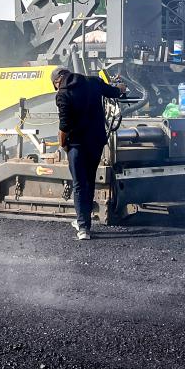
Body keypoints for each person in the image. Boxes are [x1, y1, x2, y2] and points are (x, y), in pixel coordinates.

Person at [53, 67, 125, 240]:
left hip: (76, 145)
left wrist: (63, 144)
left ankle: (83, 227)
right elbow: (114, 92)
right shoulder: (93, 82)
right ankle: (84, 223)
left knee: (79, 184)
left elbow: (64, 125)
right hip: (96, 142)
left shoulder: (63, 94)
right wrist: (121, 87)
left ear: (57, 81)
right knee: (89, 181)